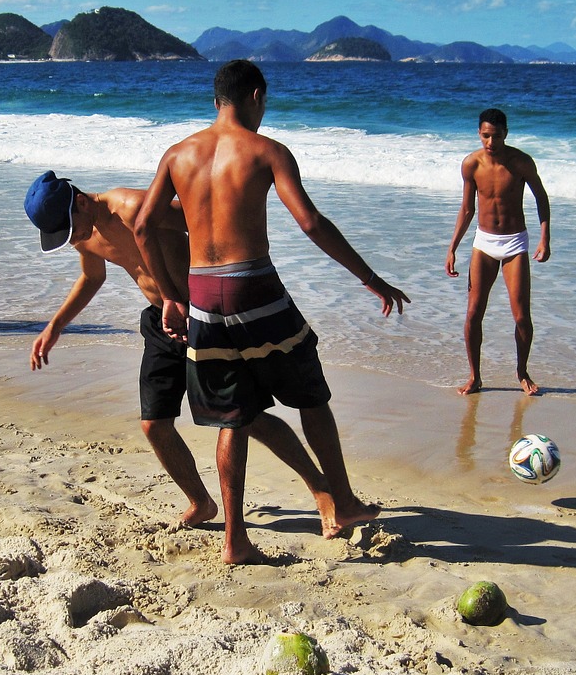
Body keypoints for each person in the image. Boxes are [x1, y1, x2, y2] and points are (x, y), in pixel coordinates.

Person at [134, 60, 410, 565]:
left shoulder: (178, 154)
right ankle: (343, 502)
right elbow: (309, 221)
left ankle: (235, 540)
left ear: (216, 99)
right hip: (254, 288)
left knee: (233, 416)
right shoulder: (267, 151)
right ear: (256, 95)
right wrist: (371, 279)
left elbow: (144, 226)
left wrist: (172, 295)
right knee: (310, 394)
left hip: (202, 296)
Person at [26, 170, 342, 532]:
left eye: (70, 229)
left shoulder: (130, 207)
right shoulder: (85, 236)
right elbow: (92, 277)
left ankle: (320, 488)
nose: (72, 240)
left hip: (203, 316)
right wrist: (55, 326)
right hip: (161, 321)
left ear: (80, 201)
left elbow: (203, 223)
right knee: (154, 424)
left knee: (244, 417)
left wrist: (231, 287)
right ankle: (200, 502)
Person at [444, 107, 551, 396]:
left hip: (515, 243)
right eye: (485, 136)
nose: (490, 143)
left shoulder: (521, 163)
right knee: (473, 313)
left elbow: (541, 198)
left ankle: (522, 372)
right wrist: (452, 247)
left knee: (521, 317)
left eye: (497, 136)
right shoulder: (471, 165)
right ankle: (475, 377)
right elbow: (467, 209)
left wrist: (545, 238)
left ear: (506, 134)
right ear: (479, 133)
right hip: (484, 243)